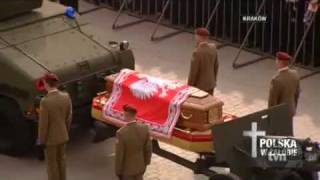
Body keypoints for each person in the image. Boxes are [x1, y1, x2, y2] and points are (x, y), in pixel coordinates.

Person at [38, 73, 72, 180]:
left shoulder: (45, 101)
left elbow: (43, 124)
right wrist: (65, 131)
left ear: (46, 83)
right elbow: (69, 117)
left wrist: (41, 140)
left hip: (50, 139)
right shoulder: (66, 96)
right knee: (61, 161)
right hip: (63, 135)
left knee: (52, 165)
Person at [115, 105, 152, 180]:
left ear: (126, 116)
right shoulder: (145, 128)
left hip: (127, 171)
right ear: (135, 115)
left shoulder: (121, 133)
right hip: (140, 167)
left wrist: (118, 171)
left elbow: (119, 155)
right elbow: (148, 148)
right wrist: (146, 163)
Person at [187, 27, 219, 95]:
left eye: (196, 35)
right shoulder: (213, 48)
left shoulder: (197, 52)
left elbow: (194, 71)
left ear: (199, 37)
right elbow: (216, 66)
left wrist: (189, 85)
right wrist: (214, 79)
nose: (195, 37)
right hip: (211, 83)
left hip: (200, 86)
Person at [268, 52, 300, 117]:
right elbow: (297, 93)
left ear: (280, 62)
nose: (276, 61)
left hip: (280, 114)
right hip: (291, 110)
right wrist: (294, 108)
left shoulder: (276, 80)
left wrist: (270, 116)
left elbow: (272, 102)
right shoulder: (295, 74)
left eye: (276, 60)